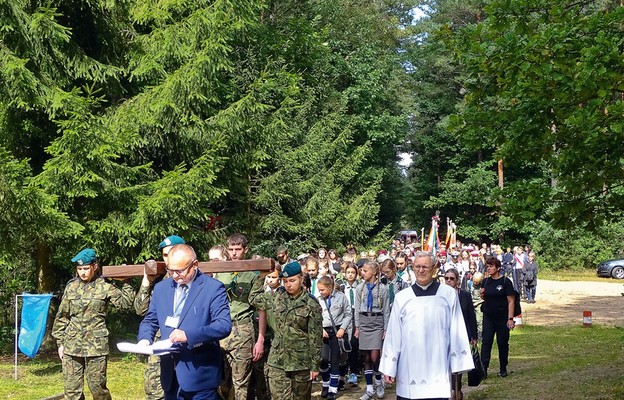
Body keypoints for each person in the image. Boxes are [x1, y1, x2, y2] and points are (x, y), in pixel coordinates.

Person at [137, 244, 231, 400]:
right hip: (170, 375)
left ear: (194, 265)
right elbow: (150, 319)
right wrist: (145, 339)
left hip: (200, 375)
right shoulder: (161, 288)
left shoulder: (213, 288)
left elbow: (223, 325)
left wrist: (189, 335)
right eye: (170, 270)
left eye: (179, 271)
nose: (174, 275)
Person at [379, 252, 474, 400]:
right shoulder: (402, 298)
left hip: (439, 368)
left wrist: (458, 363)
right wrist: (389, 366)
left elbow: (457, 329)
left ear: (434, 268)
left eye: (425, 267)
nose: (421, 270)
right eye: (417, 267)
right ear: (413, 268)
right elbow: (394, 334)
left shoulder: (448, 294)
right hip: (408, 368)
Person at [52, 248, 135, 400]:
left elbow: (125, 304)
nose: (82, 272)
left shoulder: (105, 286)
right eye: (79, 269)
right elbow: (62, 316)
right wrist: (60, 343)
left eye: (85, 268)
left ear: (95, 267)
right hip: (72, 345)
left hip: (96, 347)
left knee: (98, 389)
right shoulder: (71, 287)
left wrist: (127, 282)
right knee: (71, 391)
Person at [134, 235, 186, 400]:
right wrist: (146, 282)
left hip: (186, 343)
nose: (168, 258)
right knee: (155, 390)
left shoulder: (193, 277)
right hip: (160, 343)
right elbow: (141, 311)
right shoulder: (160, 283)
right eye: (164, 255)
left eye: (172, 252)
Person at [215, 233, 266, 400]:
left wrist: (260, 339)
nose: (234, 253)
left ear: (245, 250)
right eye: (231, 249)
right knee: (222, 381)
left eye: (238, 249)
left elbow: (261, 308)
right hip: (222, 330)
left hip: (243, 330)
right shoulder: (221, 273)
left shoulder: (252, 275)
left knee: (241, 381)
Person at [265, 262, 323, 399]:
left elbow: (315, 337)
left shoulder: (311, 304)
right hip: (278, 360)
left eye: (292, 280)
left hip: (301, 362)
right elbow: (254, 299)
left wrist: (315, 365)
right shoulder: (277, 297)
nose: (288, 284)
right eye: (285, 281)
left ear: (301, 279)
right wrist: (261, 276)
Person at [354, 261, 390, 400]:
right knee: (366, 357)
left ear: (374, 273)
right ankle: (369, 388)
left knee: (375, 356)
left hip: (376, 322)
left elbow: (386, 310)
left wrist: (385, 329)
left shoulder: (383, 289)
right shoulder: (359, 288)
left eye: (365, 271)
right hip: (364, 322)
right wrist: (357, 327)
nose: (362, 273)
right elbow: (357, 309)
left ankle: (379, 381)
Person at [444, 268, 478, 400]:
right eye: (446, 278)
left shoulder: (465, 295)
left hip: (462, 335)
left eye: (451, 278)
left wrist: (473, 336)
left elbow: (471, 316)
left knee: (458, 364)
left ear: (457, 281)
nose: (448, 281)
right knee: (447, 364)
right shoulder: (440, 296)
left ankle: (457, 390)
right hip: (445, 334)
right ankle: (452, 390)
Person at [479, 257, 516, 378]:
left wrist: (510, 319)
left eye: (491, 266)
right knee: (486, 342)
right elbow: (486, 298)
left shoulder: (505, 282)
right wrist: (482, 295)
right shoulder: (485, 281)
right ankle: (484, 368)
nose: (488, 268)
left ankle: (503, 367)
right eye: (487, 266)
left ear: (498, 268)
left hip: (502, 317)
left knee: (502, 343)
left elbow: (511, 301)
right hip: (488, 316)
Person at [317, 275, 352, 400]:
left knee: (335, 360)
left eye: (322, 290)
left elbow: (348, 314)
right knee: (323, 359)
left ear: (330, 288)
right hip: (324, 332)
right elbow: (315, 317)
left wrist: (342, 328)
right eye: (319, 290)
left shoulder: (341, 297)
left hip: (337, 332)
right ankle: (325, 384)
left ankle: (333, 389)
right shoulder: (318, 299)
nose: (320, 292)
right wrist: (320, 329)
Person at [341, 261, 361, 387]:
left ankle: (354, 371)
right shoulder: (341, 287)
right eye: (348, 272)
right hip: (344, 315)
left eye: (353, 272)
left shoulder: (360, 286)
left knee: (354, 343)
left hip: (356, 314)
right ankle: (344, 372)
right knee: (344, 343)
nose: (350, 275)